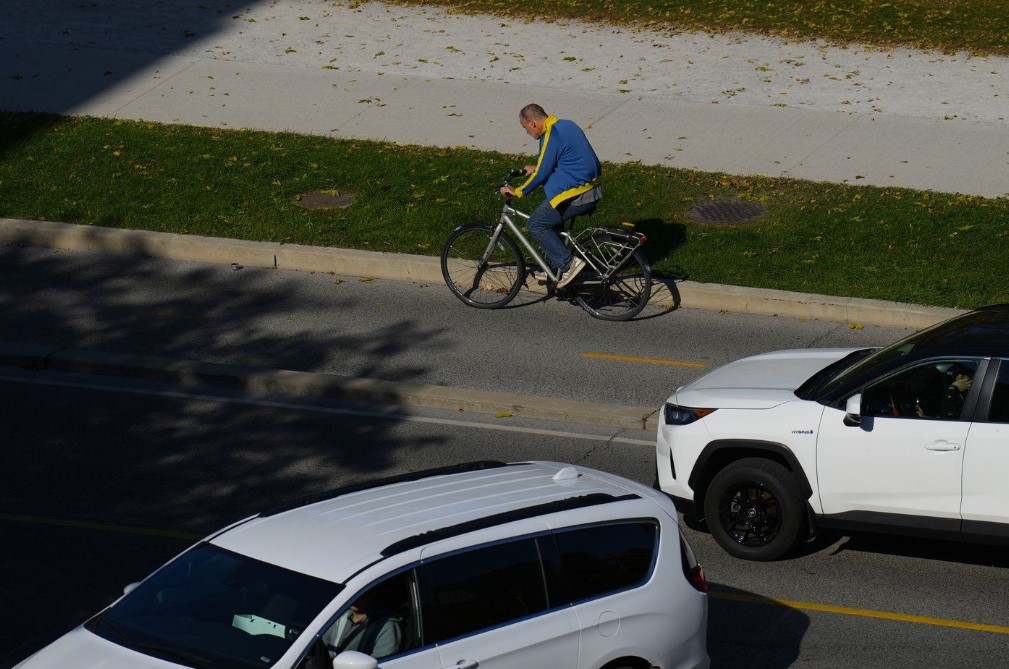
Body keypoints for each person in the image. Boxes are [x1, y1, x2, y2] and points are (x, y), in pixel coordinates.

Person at [500, 103, 602, 289]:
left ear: (532, 123)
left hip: (577, 194)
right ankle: (553, 267)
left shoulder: (551, 135)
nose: (527, 133)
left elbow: (541, 175)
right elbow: (558, 159)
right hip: (591, 187)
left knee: (536, 224)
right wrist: (536, 168)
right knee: (551, 222)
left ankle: (568, 264)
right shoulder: (566, 125)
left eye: (525, 128)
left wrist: (518, 191)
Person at [322, 588, 403, 660]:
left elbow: (381, 663)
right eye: (353, 591)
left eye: (360, 592)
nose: (356, 597)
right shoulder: (339, 616)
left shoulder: (387, 626)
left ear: (373, 592)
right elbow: (321, 643)